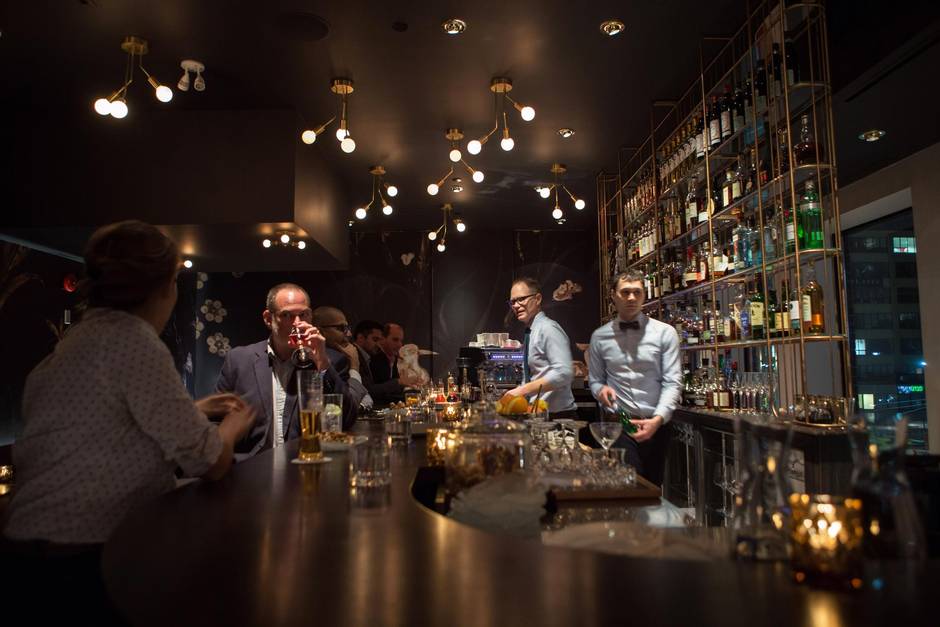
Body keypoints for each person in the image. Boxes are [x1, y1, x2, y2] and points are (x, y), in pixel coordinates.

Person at [1, 220, 255, 621]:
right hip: (83, 555)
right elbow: (209, 461)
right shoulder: (135, 343)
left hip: (28, 547)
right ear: (164, 287)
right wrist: (234, 424)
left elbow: (105, 423)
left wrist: (196, 408)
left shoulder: (77, 341)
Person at [215, 283, 356, 461]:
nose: (297, 324)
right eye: (287, 315)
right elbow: (216, 419)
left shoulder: (331, 361)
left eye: (303, 315)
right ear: (268, 319)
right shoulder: (239, 360)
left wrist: (322, 362)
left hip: (305, 462)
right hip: (250, 465)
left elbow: (347, 420)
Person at [588, 269, 682, 486]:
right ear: (613, 295)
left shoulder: (665, 333)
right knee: (628, 487)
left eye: (637, 292)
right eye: (625, 292)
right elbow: (595, 380)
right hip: (620, 424)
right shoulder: (600, 337)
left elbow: (672, 382)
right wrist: (600, 390)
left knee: (653, 488)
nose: (631, 298)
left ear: (644, 295)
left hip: (657, 424)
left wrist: (657, 419)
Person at [500, 277, 577, 419]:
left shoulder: (548, 328)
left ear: (538, 299)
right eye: (512, 302)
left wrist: (522, 390)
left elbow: (564, 372)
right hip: (538, 416)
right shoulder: (530, 331)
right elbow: (533, 376)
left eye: (521, 299)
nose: (516, 306)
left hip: (558, 417)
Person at [312, 306, 373, 412]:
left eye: (348, 328)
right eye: (341, 328)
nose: (349, 334)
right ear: (320, 332)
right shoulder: (335, 359)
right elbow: (348, 405)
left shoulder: (342, 356)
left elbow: (365, 396)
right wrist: (354, 366)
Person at [354, 319, 405, 407]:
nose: (378, 344)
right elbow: (367, 391)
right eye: (375, 339)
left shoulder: (366, 357)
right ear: (360, 338)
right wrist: (398, 382)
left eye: (379, 340)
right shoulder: (356, 356)